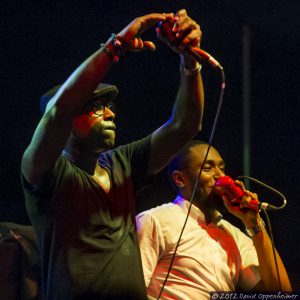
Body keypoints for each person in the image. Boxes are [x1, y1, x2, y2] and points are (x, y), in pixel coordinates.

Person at [21, 9, 205, 300]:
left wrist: (189, 60)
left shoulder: (122, 163)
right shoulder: (47, 174)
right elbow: (59, 111)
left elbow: (185, 125)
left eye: (110, 106)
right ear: (66, 125)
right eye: (96, 106)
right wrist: (114, 45)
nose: (109, 114)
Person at [136, 140, 292, 299]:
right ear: (180, 179)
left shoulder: (232, 234)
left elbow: (279, 293)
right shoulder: (155, 220)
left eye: (222, 168)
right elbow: (129, 289)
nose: (221, 176)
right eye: (208, 168)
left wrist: (254, 224)